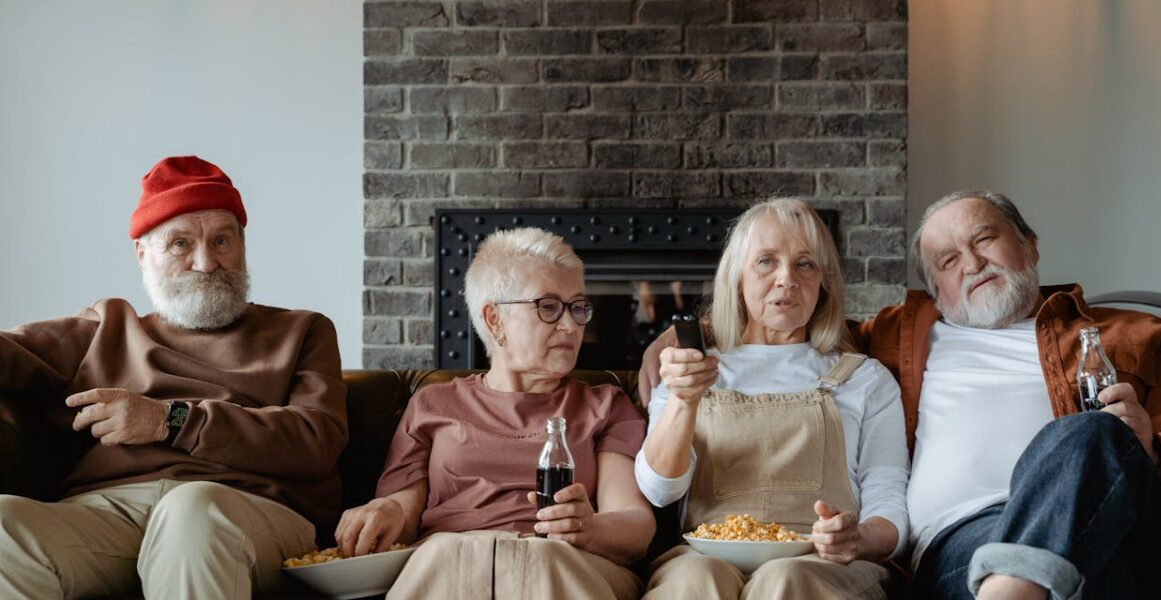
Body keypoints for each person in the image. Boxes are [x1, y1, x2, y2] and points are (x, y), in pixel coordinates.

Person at [642, 190, 1161, 600]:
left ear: (1028, 245)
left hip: (1103, 522)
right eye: (948, 261)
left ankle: (1015, 586)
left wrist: (1147, 446)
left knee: (1085, 433)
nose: (973, 263)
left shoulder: (1138, 335)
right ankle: (1019, 584)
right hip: (963, 544)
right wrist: (678, 339)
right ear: (935, 289)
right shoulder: (901, 337)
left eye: (984, 239)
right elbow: (786, 339)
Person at [0, 155, 348, 599]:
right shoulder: (104, 326)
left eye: (222, 240)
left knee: (192, 511)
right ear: (142, 253)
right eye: (181, 244)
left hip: (246, 509)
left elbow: (314, 442)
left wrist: (171, 419)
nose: (206, 263)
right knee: (4, 527)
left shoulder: (302, 331)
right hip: (110, 512)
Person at [334, 227, 654, 600]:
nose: (571, 325)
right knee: (444, 553)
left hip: (564, 562)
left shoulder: (606, 405)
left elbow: (635, 524)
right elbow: (402, 510)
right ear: (494, 320)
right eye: (548, 307)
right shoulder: (432, 404)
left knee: (539, 560)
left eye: (578, 307)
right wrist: (382, 512)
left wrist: (589, 528)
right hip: (451, 560)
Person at [636, 198, 909, 599]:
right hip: (706, 556)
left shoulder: (864, 379)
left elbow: (889, 500)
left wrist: (859, 537)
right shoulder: (690, 371)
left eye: (805, 264)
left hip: (821, 564)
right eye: (766, 261)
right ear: (737, 279)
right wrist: (683, 400)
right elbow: (659, 491)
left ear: (824, 282)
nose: (787, 279)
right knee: (695, 581)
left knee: (784, 579)